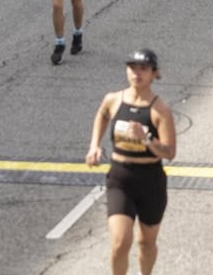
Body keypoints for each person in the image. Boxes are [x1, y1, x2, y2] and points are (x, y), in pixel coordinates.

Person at [85, 48, 177, 275]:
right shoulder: (114, 99)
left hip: (150, 181)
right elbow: (103, 114)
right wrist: (94, 145)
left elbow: (169, 152)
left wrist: (146, 139)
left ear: (154, 74)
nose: (137, 73)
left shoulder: (159, 110)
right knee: (120, 242)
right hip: (120, 179)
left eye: (143, 69)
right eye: (132, 68)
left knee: (146, 243)